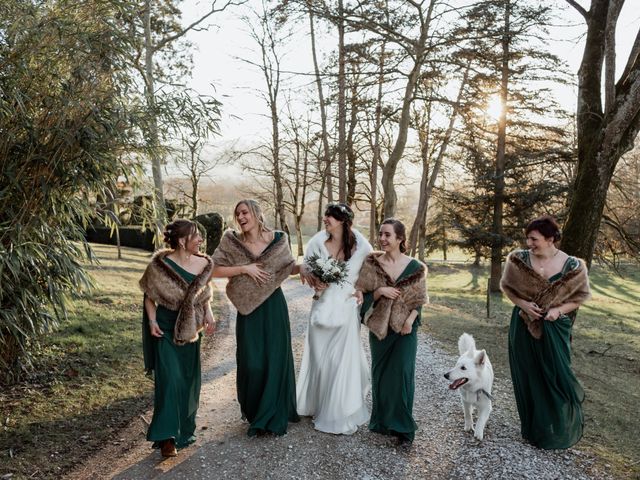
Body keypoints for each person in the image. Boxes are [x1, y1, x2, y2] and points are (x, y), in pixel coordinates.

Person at [500, 215, 591, 449]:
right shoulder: (518, 259)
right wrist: (523, 304)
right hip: (522, 325)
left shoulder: (573, 265)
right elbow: (507, 288)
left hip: (554, 329)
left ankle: (556, 430)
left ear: (551, 239)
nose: (529, 243)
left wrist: (559, 311)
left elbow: (579, 297)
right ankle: (533, 429)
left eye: (534, 239)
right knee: (528, 375)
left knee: (554, 377)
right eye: (528, 239)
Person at [211, 199, 301, 436]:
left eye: (245, 212)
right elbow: (213, 269)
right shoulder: (231, 242)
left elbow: (288, 266)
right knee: (252, 361)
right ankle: (256, 411)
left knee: (275, 359)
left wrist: (305, 269)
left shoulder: (279, 239)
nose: (240, 217)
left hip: (273, 306)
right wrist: (244, 269)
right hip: (248, 309)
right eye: (237, 213)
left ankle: (272, 416)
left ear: (257, 213)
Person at [139, 219, 216, 458]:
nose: (201, 241)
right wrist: (152, 322)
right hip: (164, 327)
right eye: (196, 236)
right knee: (169, 380)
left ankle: (183, 430)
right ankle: (166, 438)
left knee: (187, 381)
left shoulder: (204, 262)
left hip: (190, 329)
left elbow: (205, 296)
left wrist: (209, 314)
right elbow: (149, 297)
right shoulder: (159, 265)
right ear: (183, 241)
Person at [296, 202, 372, 435]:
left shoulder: (361, 245)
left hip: (347, 305)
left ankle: (338, 410)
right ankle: (319, 404)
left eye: (330, 216)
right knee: (320, 359)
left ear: (343, 221)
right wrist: (310, 276)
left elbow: (369, 273)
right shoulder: (317, 242)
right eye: (325, 215)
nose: (325, 219)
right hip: (321, 305)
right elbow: (304, 268)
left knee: (341, 360)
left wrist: (361, 288)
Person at [354, 218, 427, 446]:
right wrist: (379, 291)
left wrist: (410, 321)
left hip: (405, 329)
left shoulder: (416, 267)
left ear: (400, 239)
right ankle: (383, 423)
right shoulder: (372, 264)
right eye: (381, 234)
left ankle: (404, 430)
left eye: (388, 235)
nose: (382, 239)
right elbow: (361, 294)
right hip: (379, 329)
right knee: (382, 375)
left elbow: (420, 300)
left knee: (403, 374)